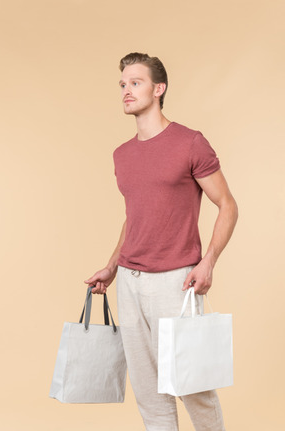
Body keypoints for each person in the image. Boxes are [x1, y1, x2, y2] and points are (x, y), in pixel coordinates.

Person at [85, 52, 238, 431]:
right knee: (149, 394)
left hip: (177, 282)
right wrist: (111, 266)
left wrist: (208, 262)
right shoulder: (122, 154)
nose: (126, 90)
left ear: (159, 88)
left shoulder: (190, 143)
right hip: (131, 285)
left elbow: (228, 206)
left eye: (135, 82)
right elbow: (135, 217)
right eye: (122, 84)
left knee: (193, 388)